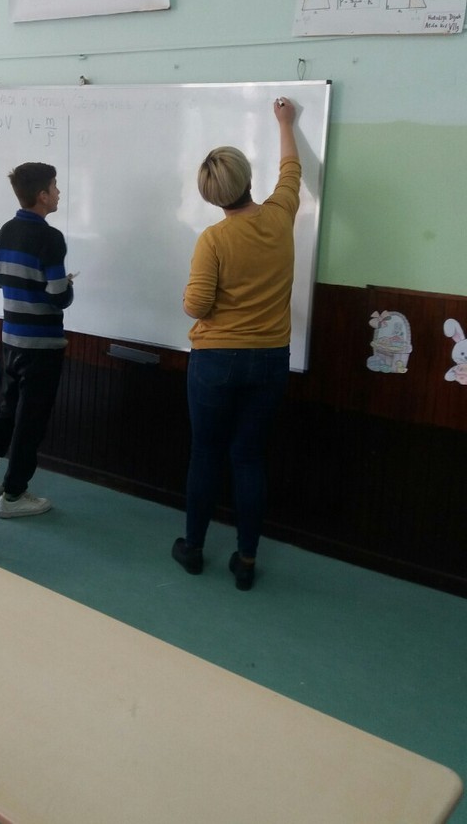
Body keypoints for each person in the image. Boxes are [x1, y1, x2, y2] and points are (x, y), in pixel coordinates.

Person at [171, 98, 300, 590]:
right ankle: (246, 560)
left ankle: (193, 548)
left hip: (216, 360)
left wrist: (189, 297)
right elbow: (291, 170)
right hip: (271, 359)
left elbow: (197, 305)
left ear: (210, 196)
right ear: (248, 179)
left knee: (206, 454)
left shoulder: (214, 239)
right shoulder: (281, 215)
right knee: (249, 457)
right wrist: (285, 123)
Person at [0, 162, 74, 518]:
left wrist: (20, 283)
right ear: (42, 196)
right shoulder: (50, 238)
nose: (58, 192)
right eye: (54, 187)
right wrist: (67, 286)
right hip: (42, 345)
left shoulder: (6, 231)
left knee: (8, 409)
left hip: (12, 340)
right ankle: (14, 495)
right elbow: (58, 295)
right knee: (31, 420)